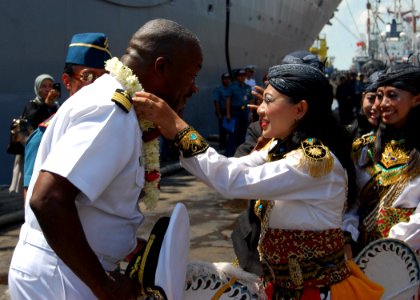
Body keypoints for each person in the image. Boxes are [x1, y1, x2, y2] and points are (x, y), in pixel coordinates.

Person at [134, 62, 384, 298]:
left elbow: (232, 180)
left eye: (268, 100)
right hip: (280, 287)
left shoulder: (312, 162)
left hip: (313, 293)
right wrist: (175, 132)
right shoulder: (278, 147)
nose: (260, 109)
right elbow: (231, 169)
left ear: (300, 109)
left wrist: (177, 126)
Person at [8, 18, 202, 300]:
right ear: (161, 67)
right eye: (192, 75)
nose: (194, 87)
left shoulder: (116, 106)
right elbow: (48, 199)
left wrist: (126, 244)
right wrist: (103, 285)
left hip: (70, 268)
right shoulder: (110, 111)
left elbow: (91, 205)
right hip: (65, 277)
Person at [23, 32, 112, 201]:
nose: (99, 85)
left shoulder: (110, 125)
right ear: (66, 81)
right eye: (89, 76)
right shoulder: (42, 137)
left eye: (104, 77)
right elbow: (34, 203)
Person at [343, 64, 420, 258]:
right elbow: (351, 204)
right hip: (361, 256)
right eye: (379, 95)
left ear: (417, 100)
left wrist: (387, 249)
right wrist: (348, 235)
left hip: (409, 260)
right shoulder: (362, 148)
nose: (382, 103)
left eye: (392, 95)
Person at [225, 68, 253, 156]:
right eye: (240, 76)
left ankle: (240, 153)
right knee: (232, 133)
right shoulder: (232, 87)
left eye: (244, 76)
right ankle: (229, 154)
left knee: (243, 133)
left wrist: (251, 113)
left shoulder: (247, 87)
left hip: (245, 111)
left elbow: (251, 99)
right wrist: (228, 114)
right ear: (237, 77)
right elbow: (228, 100)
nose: (242, 77)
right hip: (234, 112)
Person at [346, 70, 382, 139]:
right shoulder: (352, 132)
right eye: (371, 99)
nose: (375, 107)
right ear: (363, 97)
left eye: (381, 99)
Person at [212, 72, 231, 151]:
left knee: (229, 129)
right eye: (226, 79)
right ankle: (222, 145)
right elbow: (216, 102)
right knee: (222, 130)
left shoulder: (231, 88)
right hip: (222, 111)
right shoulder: (219, 89)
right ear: (222, 80)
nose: (227, 81)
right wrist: (219, 114)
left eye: (228, 79)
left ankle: (228, 145)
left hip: (229, 111)